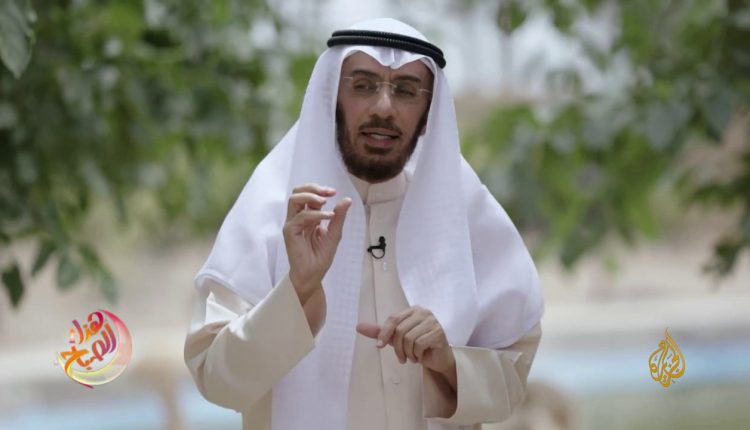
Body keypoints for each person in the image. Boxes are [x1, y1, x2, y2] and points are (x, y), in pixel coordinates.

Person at [184, 17, 544, 430]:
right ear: (332, 97)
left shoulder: (466, 213)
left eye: (406, 90)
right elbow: (217, 381)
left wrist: (448, 362)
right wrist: (297, 289)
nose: (383, 108)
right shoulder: (272, 207)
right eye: (363, 85)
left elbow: (513, 377)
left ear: (428, 113)